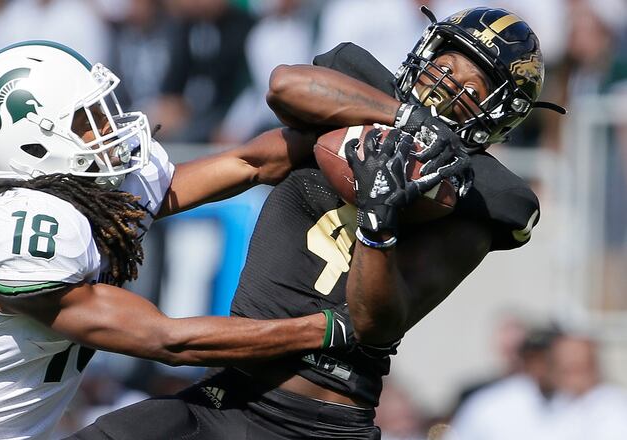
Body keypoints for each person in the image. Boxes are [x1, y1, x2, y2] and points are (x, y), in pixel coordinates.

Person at [62, 6, 563, 439]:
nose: (446, 83)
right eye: (445, 63)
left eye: (471, 86)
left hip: (317, 420)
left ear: (501, 112)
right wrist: (405, 121)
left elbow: (374, 324)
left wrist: (378, 222)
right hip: (228, 391)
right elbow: (278, 101)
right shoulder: (357, 91)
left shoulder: (486, 197)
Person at [0, 40, 358, 439]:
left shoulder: (92, 198)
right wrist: (326, 331)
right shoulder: (23, 225)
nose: (108, 127)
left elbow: (249, 162)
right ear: (34, 145)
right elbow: (170, 341)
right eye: (86, 121)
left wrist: (362, 133)